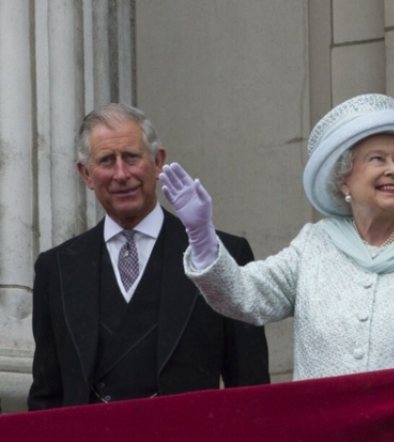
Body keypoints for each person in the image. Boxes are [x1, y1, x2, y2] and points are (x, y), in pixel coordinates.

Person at [160, 93, 394, 380]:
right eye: (377, 159)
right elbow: (244, 296)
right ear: (344, 179)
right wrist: (201, 235)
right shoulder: (314, 245)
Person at [28, 103, 270, 409]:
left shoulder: (223, 256)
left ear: (157, 162)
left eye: (131, 158)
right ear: (86, 174)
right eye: (106, 161)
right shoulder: (56, 270)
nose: (121, 174)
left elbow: (250, 389)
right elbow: (46, 396)